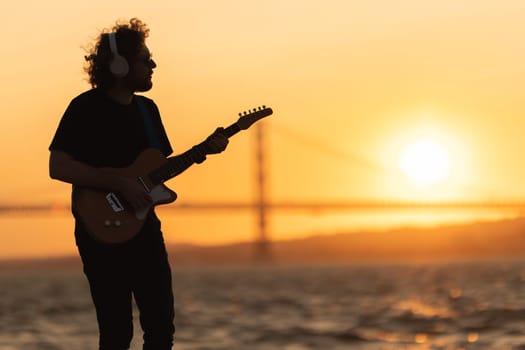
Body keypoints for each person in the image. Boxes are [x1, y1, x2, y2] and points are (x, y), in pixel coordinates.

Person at [48, 18, 229, 349]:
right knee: (117, 333)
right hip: (99, 231)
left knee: (161, 331)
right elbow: (57, 166)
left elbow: (156, 172)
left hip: (145, 228)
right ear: (119, 65)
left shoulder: (148, 110)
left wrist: (204, 150)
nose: (153, 64)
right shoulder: (84, 108)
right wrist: (118, 183)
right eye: (146, 59)